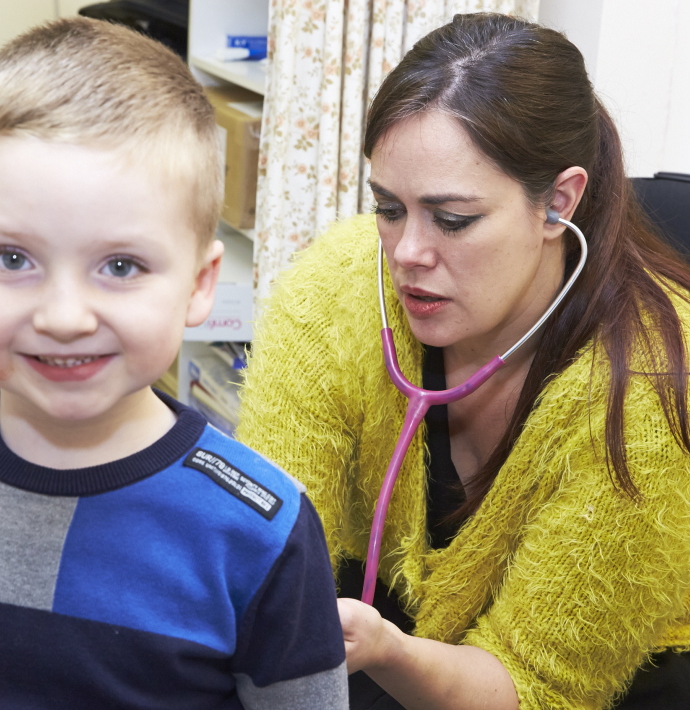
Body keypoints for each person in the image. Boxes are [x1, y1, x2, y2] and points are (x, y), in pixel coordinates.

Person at [237, 12, 690, 710]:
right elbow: (263, 549)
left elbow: (536, 686)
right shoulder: (337, 286)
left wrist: (388, 648)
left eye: (452, 220)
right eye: (389, 207)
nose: (406, 253)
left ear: (558, 202)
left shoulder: (651, 386)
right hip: (375, 630)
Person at [0, 18, 348, 709]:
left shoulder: (258, 533)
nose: (64, 316)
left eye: (120, 266)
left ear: (200, 284)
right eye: (12, 259)